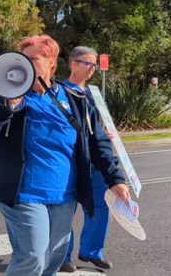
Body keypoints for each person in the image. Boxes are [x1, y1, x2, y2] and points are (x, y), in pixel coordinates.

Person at [0, 35, 131, 276]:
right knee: (32, 256)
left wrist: (115, 178)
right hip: (22, 194)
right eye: (22, 58)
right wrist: (7, 108)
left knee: (54, 257)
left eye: (33, 59)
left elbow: (97, 141)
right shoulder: (6, 94)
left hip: (63, 195)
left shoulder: (76, 99)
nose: (24, 64)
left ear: (51, 64)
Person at [60, 46, 113, 272]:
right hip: (73, 161)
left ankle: (91, 251)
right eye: (88, 64)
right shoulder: (60, 91)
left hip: (94, 161)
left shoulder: (93, 93)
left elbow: (95, 125)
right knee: (65, 209)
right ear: (73, 64)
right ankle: (63, 256)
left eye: (95, 65)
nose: (93, 69)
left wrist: (105, 133)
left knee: (101, 205)